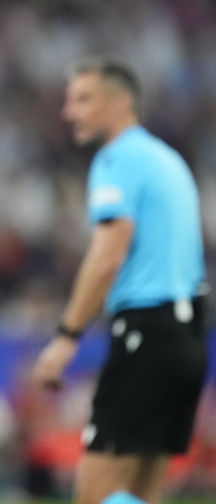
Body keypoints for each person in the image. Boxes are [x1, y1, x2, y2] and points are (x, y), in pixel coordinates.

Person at [32, 56, 209, 504]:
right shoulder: (168, 160)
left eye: (83, 99)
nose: (70, 111)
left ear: (120, 102)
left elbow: (108, 254)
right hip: (186, 338)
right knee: (140, 495)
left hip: (146, 333)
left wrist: (67, 336)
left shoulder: (118, 158)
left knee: (94, 496)